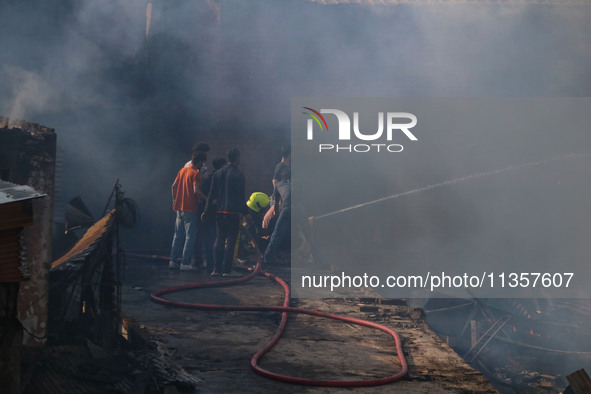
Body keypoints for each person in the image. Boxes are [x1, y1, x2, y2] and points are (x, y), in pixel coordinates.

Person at [204, 148, 250, 276]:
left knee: (219, 240)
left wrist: (206, 211)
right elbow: (241, 197)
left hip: (220, 212)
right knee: (231, 242)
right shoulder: (239, 174)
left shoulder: (218, 174)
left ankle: (216, 269)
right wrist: (246, 213)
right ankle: (227, 270)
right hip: (233, 213)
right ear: (237, 158)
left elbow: (211, 194)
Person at [169, 152, 207, 270]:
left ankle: (173, 261)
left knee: (178, 236)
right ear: (200, 162)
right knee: (190, 237)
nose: (203, 166)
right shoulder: (196, 174)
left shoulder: (182, 170)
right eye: (202, 163)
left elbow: (173, 186)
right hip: (190, 208)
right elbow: (196, 191)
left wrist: (174, 201)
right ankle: (185, 263)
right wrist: (207, 200)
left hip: (179, 208)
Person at [199, 157, 227, 273]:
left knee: (209, 238)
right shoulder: (218, 178)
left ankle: (211, 263)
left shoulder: (210, 177)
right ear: (221, 166)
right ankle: (215, 264)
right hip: (214, 212)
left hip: (208, 211)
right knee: (215, 238)